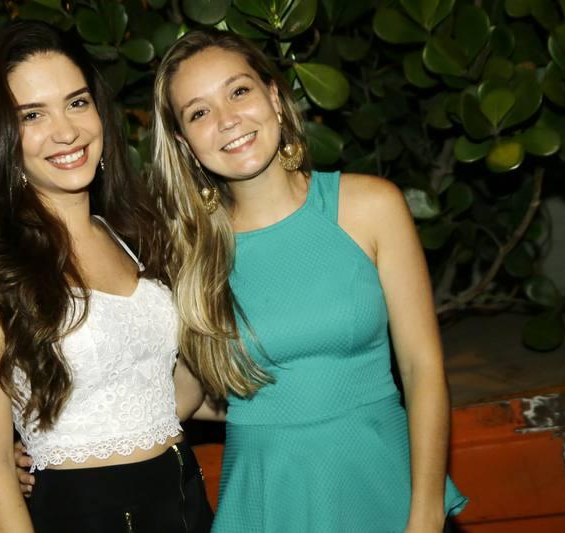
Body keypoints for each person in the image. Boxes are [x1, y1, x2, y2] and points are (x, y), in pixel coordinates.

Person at [148, 29, 468, 532]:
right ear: (185, 143)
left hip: (385, 485)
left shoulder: (371, 207)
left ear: (274, 98)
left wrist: (426, 514)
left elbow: (422, 367)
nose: (227, 120)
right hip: (269, 497)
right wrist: (48, 445)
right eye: (199, 112)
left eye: (239, 91)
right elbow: (177, 395)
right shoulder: (189, 255)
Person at [0, 20, 211, 533]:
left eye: (77, 102)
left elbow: (163, 394)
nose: (65, 131)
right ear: (0, 135)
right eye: (32, 114)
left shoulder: (134, 232)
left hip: (183, 496)